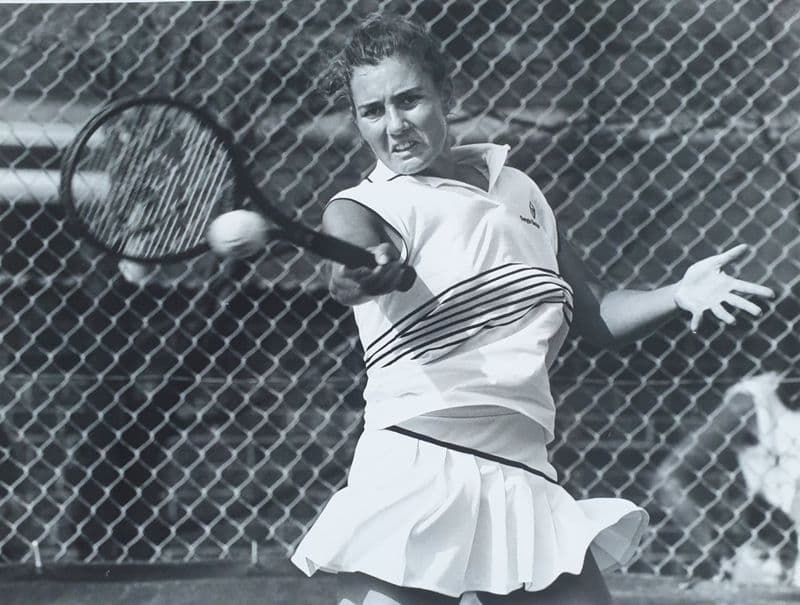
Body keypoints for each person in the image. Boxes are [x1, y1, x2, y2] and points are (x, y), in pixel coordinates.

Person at [290, 14, 775, 605]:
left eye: (410, 100)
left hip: (522, 472)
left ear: (447, 94)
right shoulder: (364, 205)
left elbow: (593, 313)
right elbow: (346, 262)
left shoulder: (519, 190)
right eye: (372, 111)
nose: (394, 126)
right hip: (414, 470)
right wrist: (358, 272)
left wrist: (677, 294)